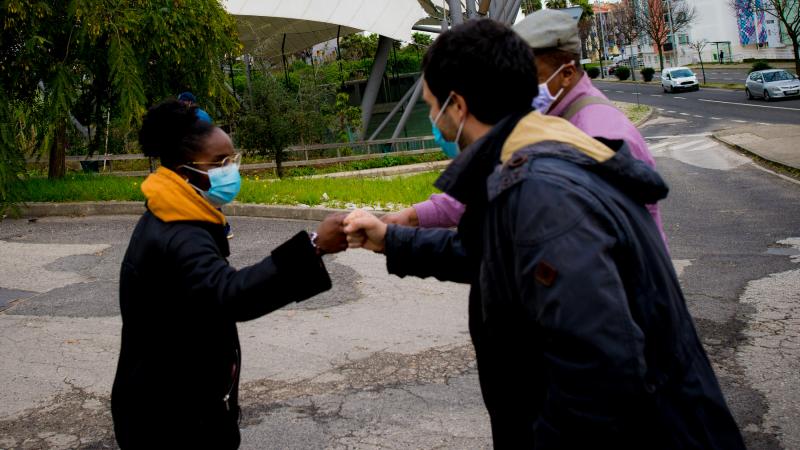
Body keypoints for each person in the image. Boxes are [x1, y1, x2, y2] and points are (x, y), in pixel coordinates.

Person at [341, 19, 744, 449]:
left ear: (457, 106)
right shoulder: (527, 164)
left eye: (431, 107)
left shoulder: (541, 193)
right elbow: (492, 256)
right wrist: (389, 238)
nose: (435, 125)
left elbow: (600, 375)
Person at [111, 99, 347, 449]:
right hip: (170, 422)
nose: (230, 170)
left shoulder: (176, 215)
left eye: (231, 159)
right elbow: (229, 294)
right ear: (184, 171)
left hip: (172, 405)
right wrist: (314, 246)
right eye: (219, 162)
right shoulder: (180, 233)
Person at [383, 9, 666, 247]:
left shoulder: (599, 132)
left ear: (567, 73)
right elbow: (494, 185)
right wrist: (412, 218)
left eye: (532, 75)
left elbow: (589, 261)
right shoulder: (548, 121)